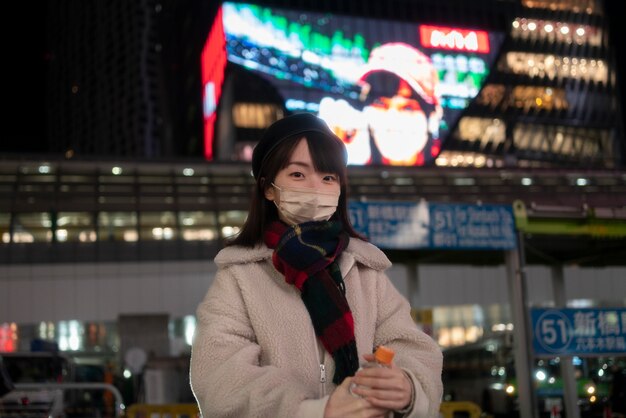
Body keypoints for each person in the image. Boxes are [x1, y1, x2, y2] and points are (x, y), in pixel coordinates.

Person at [190, 112, 443, 418]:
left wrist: (408, 387)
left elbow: (411, 347)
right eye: (297, 174)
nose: (315, 187)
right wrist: (312, 411)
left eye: (328, 177)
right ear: (268, 188)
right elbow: (219, 376)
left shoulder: (365, 269)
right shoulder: (239, 275)